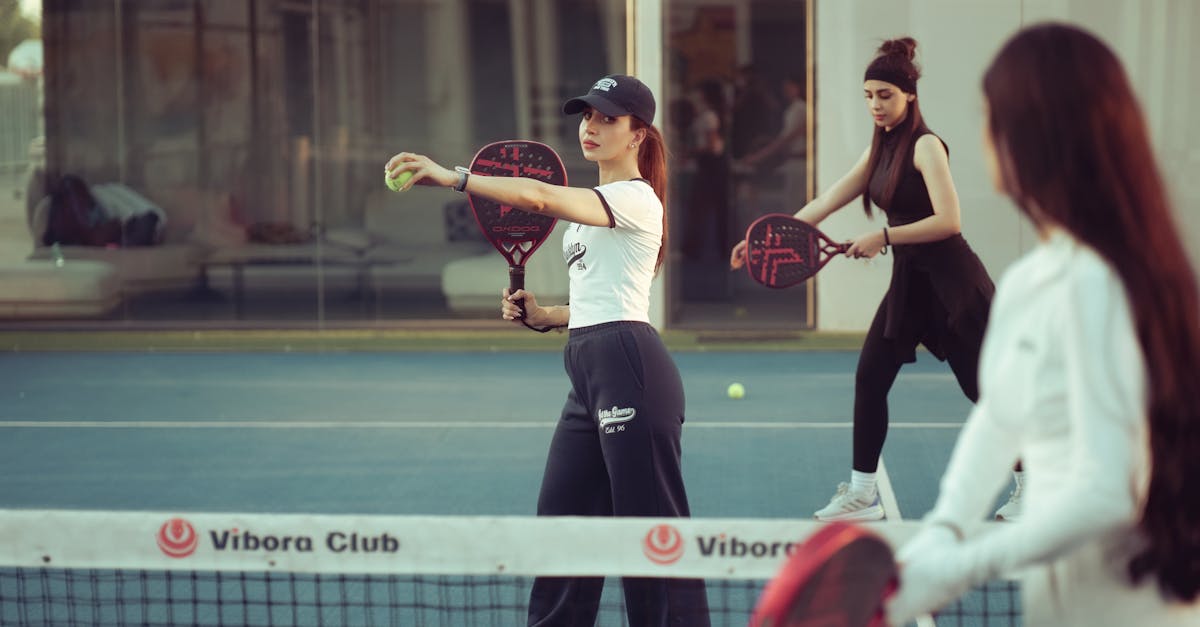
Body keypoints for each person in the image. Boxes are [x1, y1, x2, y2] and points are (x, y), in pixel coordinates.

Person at [885, 23, 1200, 626]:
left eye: (988, 118)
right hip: (1060, 605)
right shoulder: (1036, 277)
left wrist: (959, 567)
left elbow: (1107, 493)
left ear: (1023, 137)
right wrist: (943, 530)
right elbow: (1000, 418)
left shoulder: (1098, 283)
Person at [386, 74, 711, 627]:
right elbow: (601, 299)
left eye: (608, 119)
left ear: (638, 134)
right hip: (588, 373)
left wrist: (455, 177)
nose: (591, 127)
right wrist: (546, 315)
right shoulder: (592, 212)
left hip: (630, 370)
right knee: (563, 524)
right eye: (587, 116)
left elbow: (540, 197)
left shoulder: (635, 198)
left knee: (650, 535)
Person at [730, 38, 996, 522]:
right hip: (911, 285)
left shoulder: (926, 146)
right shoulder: (879, 149)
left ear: (910, 95)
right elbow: (829, 199)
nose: (875, 104)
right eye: (869, 95)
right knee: (870, 377)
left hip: (953, 284)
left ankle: (1033, 487)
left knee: (983, 392)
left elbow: (949, 220)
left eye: (885, 95)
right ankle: (862, 494)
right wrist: (766, 240)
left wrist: (884, 236)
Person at [738, 74, 808, 209]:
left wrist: (758, 157)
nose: (785, 90)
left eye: (789, 86)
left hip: (798, 162)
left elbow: (785, 139)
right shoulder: (795, 108)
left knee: (794, 206)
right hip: (793, 161)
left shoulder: (800, 108)